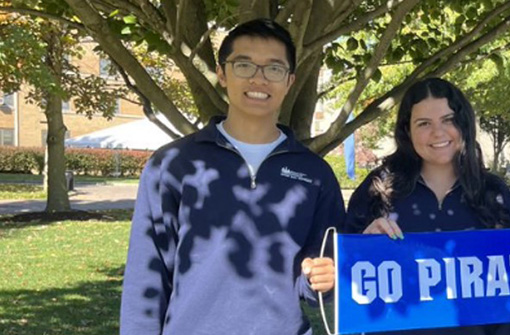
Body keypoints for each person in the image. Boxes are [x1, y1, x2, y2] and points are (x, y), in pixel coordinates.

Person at [120, 19, 345, 335]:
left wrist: (320, 279)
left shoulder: (315, 173)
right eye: (244, 65)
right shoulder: (173, 164)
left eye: (274, 69)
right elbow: (146, 277)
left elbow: (322, 271)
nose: (258, 78)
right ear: (222, 74)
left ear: (290, 81)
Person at [308, 77, 510, 335]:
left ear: (464, 124)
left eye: (448, 120)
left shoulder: (493, 193)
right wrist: (361, 248)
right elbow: (339, 277)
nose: (438, 133)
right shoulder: (379, 188)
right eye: (424, 124)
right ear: (406, 131)